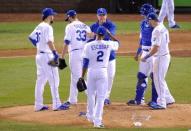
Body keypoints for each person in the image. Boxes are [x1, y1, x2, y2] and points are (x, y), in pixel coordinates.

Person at [28, 8, 68, 111]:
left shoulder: (39, 26)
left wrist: (39, 45)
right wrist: (55, 53)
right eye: (52, 15)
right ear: (49, 16)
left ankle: (38, 105)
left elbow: (31, 37)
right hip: (47, 56)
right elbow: (50, 42)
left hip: (39, 56)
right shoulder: (48, 27)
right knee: (54, 79)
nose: (53, 17)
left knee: (40, 81)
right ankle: (57, 104)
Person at [81, 26, 119, 128]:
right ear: (104, 35)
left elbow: (85, 63)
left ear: (96, 34)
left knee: (90, 95)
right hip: (102, 72)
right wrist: (109, 34)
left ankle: (90, 116)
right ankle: (97, 122)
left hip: (91, 72)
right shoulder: (108, 44)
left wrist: (81, 77)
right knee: (101, 98)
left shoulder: (88, 45)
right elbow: (118, 42)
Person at [141, 12, 175, 109]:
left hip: (160, 57)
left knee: (158, 79)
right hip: (165, 55)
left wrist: (146, 57)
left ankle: (161, 103)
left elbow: (156, 47)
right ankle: (169, 99)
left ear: (152, 20)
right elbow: (167, 42)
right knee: (160, 79)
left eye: (149, 20)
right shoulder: (163, 27)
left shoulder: (156, 30)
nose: (148, 22)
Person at [127, 3, 158, 106]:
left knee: (154, 77)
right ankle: (139, 100)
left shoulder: (155, 25)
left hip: (153, 53)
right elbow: (141, 40)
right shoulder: (142, 24)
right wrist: (138, 53)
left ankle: (155, 100)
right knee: (141, 76)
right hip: (145, 52)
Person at [61, 10, 91, 108]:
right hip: (86, 53)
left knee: (77, 77)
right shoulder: (86, 26)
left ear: (70, 17)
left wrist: (62, 57)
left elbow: (67, 42)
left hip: (75, 53)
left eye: (68, 19)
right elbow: (91, 40)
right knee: (74, 76)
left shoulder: (70, 26)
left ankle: (93, 96)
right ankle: (72, 99)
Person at [90, 8, 116, 105]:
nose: (101, 17)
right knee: (97, 78)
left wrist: (95, 35)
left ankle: (106, 97)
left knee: (110, 76)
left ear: (106, 15)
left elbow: (109, 36)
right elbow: (90, 39)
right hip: (96, 59)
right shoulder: (93, 26)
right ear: (97, 15)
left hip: (110, 57)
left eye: (103, 15)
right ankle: (97, 96)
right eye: (100, 15)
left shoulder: (111, 25)